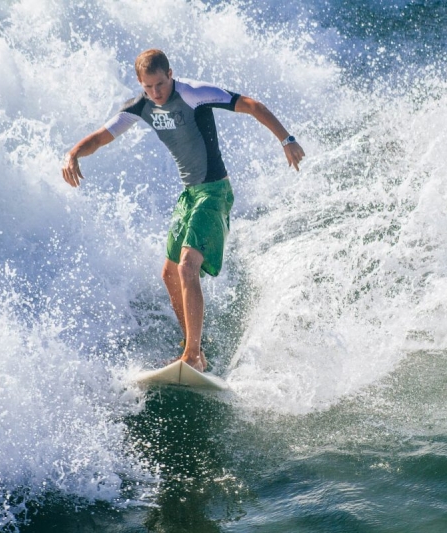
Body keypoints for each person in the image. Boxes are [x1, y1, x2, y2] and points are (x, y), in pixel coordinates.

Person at [61, 49, 305, 372]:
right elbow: (102, 137)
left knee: (188, 266)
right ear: (140, 84)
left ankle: (191, 356)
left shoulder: (193, 93)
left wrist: (285, 138)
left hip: (215, 192)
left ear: (170, 75)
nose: (156, 93)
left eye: (160, 84)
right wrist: (74, 153)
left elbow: (251, 105)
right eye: (148, 87)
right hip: (189, 196)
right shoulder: (141, 106)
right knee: (169, 272)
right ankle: (195, 349)